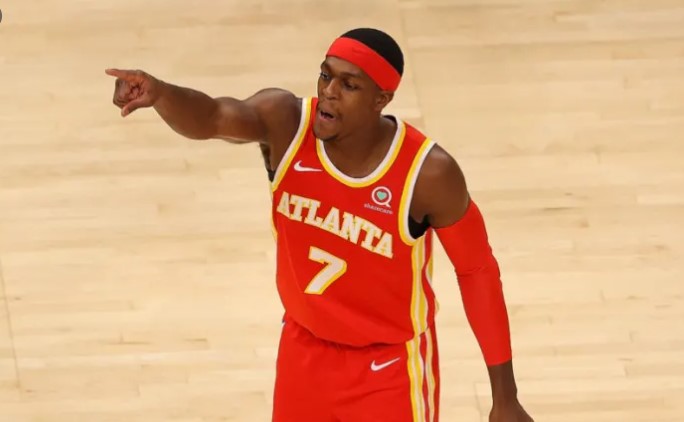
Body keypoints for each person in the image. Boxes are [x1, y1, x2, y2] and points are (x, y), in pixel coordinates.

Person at [107, 27, 534, 422]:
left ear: (381, 99)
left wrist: (505, 397)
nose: (329, 92)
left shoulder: (428, 174)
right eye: (326, 76)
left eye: (349, 85)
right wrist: (161, 93)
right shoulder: (285, 122)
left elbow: (477, 271)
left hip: (387, 369)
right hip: (303, 352)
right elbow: (213, 117)